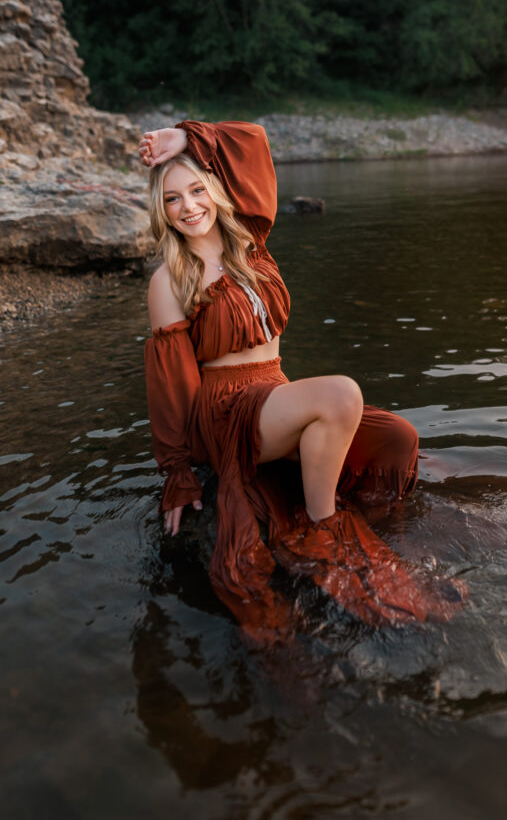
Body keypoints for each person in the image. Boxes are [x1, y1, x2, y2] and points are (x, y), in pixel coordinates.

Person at [140, 120, 464, 643]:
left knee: (397, 439)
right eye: (173, 199)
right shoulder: (169, 279)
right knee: (341, 394)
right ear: (162, 209)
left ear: (218, 191)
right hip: (228, 409)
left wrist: (184, 139)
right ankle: (323, 527)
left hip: (274, 392)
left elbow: (254, 141)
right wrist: (178, 472)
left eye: (197, 190)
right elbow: (170, 384)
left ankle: (369, 521)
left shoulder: (250, 245)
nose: (188, 207)